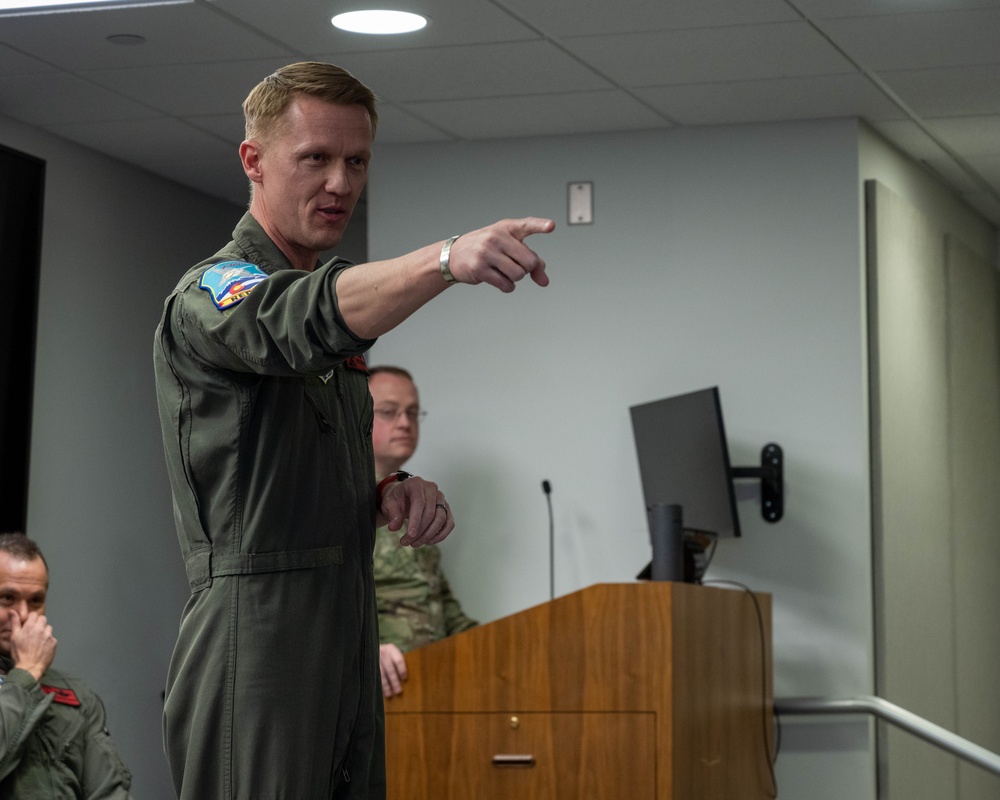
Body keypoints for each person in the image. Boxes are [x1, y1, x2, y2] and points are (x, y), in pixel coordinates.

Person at [152, 61, 554, 800]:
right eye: (315, 159)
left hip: (345, 623)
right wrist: (444, 259)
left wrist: (386, 494)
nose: (340, 182)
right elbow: (292, 319)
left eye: (356, 160)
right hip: (258, 632)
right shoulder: (215, 292)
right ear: (254, 161)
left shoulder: (338, 340)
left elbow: (287, 470)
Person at [368, 367, 478, 699]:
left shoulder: (420, 501)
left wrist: (505, 645)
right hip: (378, 689)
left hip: (432, 682)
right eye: (389, 412)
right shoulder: (335, 502)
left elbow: (437, 602)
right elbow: (315, 606)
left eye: (412, 413)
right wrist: (366, 650)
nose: (404, 422)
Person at [0, 532, 133, 799]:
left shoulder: (76, 695)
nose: (24, 615)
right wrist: (26, 673)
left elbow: (110, 792)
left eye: (36, 600)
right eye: (7, 598)